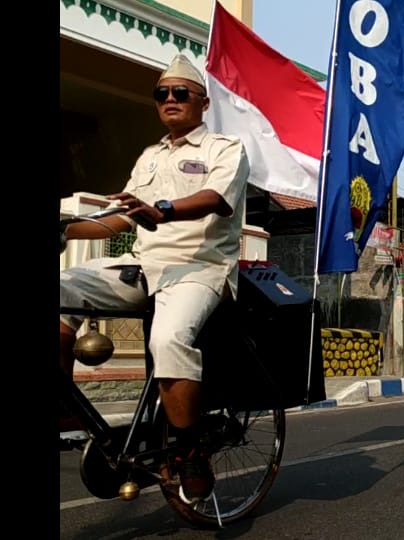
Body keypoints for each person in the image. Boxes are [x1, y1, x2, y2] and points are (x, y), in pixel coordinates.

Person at [59, 54, 249, 503]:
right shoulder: (149, 156)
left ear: (202, 103)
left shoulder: (225, 149)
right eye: (161, 94)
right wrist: (64, 229)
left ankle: (190, 452)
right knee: (62, 285)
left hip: (200, 267)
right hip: (145, 265)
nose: (169, 99)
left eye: (180, 93)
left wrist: (161, 209)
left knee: (167, 340)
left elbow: (215, 199)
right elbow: (120, 222)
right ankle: (65, 409)